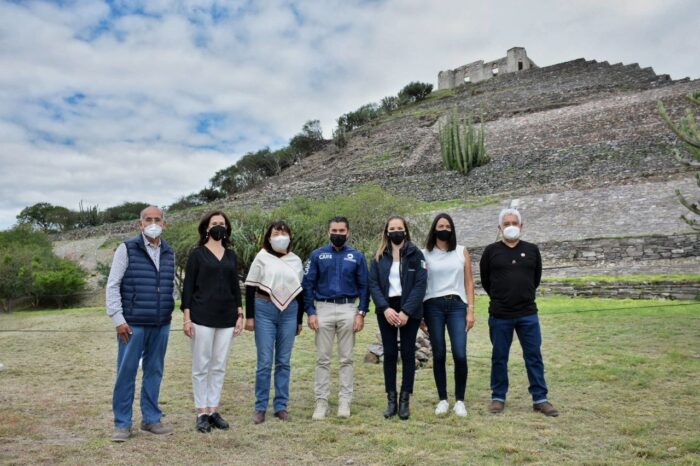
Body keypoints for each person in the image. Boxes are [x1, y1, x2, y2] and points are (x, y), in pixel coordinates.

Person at [479, 208, 559, 417]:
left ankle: (540, 399)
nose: (511, 227)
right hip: (500, 314)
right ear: (500, 227)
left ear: (521, 226)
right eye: (506, 224)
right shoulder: (490, 251)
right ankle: (498, 396)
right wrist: (502, 297)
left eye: (514, 223)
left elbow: (536, 279)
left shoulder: (532, 250)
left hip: (527, 313)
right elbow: (486, 281)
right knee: (499, 356)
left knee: (533, 355)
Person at [106, 206, 176, 442]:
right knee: (126, 373)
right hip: (132, 324)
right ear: (140, 224)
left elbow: (169, 286)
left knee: (154, 371)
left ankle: (151, 419)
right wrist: (118, 319)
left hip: (161, 323)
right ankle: (122, 424)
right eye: (148, 219)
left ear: (164, 224)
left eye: (158, 219)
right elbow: (113, 285)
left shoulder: (169, 252)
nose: (153, 223)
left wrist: (169, 310)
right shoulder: (126, 249)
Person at [181, 211, 244, 433]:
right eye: (214, 223)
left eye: (222, 223)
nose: (219, 226)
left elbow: (235, 287)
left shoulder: (231, 255)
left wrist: (239, 314)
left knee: (218, 365)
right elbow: (187, 287)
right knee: (201, 365)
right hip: (201, 316)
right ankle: (201, 412)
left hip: (226, 317)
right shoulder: (197, 254)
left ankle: (213, 409)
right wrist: (187, 318)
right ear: (206, 228)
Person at [303, 216, 369, 420]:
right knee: (323, 359)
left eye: (342, 231)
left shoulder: (357, 256)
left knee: (346, 359)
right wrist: (311, 312)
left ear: (348, 233)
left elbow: (364, 286)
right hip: (323, 308)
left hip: (348, 308)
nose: (338, 234)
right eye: (334, 231)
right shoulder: (317, 255)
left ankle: (344, 401)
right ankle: (321, 402)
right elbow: (307, 284)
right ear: (328, 232)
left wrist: (361, 313)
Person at [244, 221, 305, 424]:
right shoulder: (261, 257)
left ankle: (281, 406)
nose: (280, 235)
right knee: (264, 362)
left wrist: (298, 320)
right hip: (264, 309)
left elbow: (300, 292)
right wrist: (250, 317)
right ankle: (260, 407)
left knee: (283, 361)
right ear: (269, 237)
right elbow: (251, 287)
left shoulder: (296, 260)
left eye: (284, 231)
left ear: (290, 235)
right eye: (276, 232)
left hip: (290, 312)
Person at [368, 215, 427, 420]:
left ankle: (404, 400)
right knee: (391, 353)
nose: (396, 231)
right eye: (392, 228)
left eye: (399, 228)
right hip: (387, 309)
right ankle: (391, 400)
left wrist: (407, 311)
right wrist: (384, 308)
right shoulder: (378, 256)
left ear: (405, 230)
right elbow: (373, 284)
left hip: (409, 308)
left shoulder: (416, 254)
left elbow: (421, 285)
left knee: (409, 353)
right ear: (387, 231)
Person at [421, 213, 475, 417]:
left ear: (452, 230)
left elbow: (469, 282)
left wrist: (470, 309)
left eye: (448, 226)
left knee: (460, 353)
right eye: (440, 225)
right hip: (432, 306)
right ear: (434, 228)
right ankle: (443, 399)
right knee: (439, 353)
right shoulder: (423, 253)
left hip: (457, 306)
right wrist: (419, 314)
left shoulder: (461, 251)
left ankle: (460, 400)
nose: (444, 229)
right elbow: (420, 284)